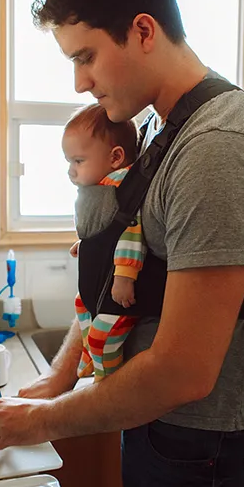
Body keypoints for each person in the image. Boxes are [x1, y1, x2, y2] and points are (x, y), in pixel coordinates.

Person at [0, 0, 244, 487]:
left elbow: (183, 372)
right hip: (156, 425)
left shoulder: (221, 145)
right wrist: (61, 375)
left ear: (143, 30)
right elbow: (120, 280)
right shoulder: (157, 132)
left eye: (86, 57)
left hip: (209, 450)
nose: (80, 82)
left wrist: (45, 419)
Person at [62, 103, 144, 381]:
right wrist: (87, 245)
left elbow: (132, 231)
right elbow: (104, 229)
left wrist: (125, 274)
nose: (70, 172)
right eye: (68, 162)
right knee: (82, 306)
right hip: (99, 283)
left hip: (118, 289)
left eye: (78, 161)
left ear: (115, 157)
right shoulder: (101, 189)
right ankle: (89, 360)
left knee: (100, 336)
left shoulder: (121, 189)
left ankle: (106, 379)